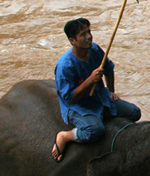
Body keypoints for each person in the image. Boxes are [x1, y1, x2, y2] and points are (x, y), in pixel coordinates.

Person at [52, 18, 141, 161]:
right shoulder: (65, 66)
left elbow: (109, 68)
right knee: (95, 131)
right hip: (78, 106)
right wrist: (89, 81)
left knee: (134, 112)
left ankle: (102, 115)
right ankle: (65, 136)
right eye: (83, 34)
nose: (89, 37)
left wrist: (111, 91)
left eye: (89, 32)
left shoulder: (94, 50)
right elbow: (69, 98)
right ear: (72, 41)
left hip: (100, 97)